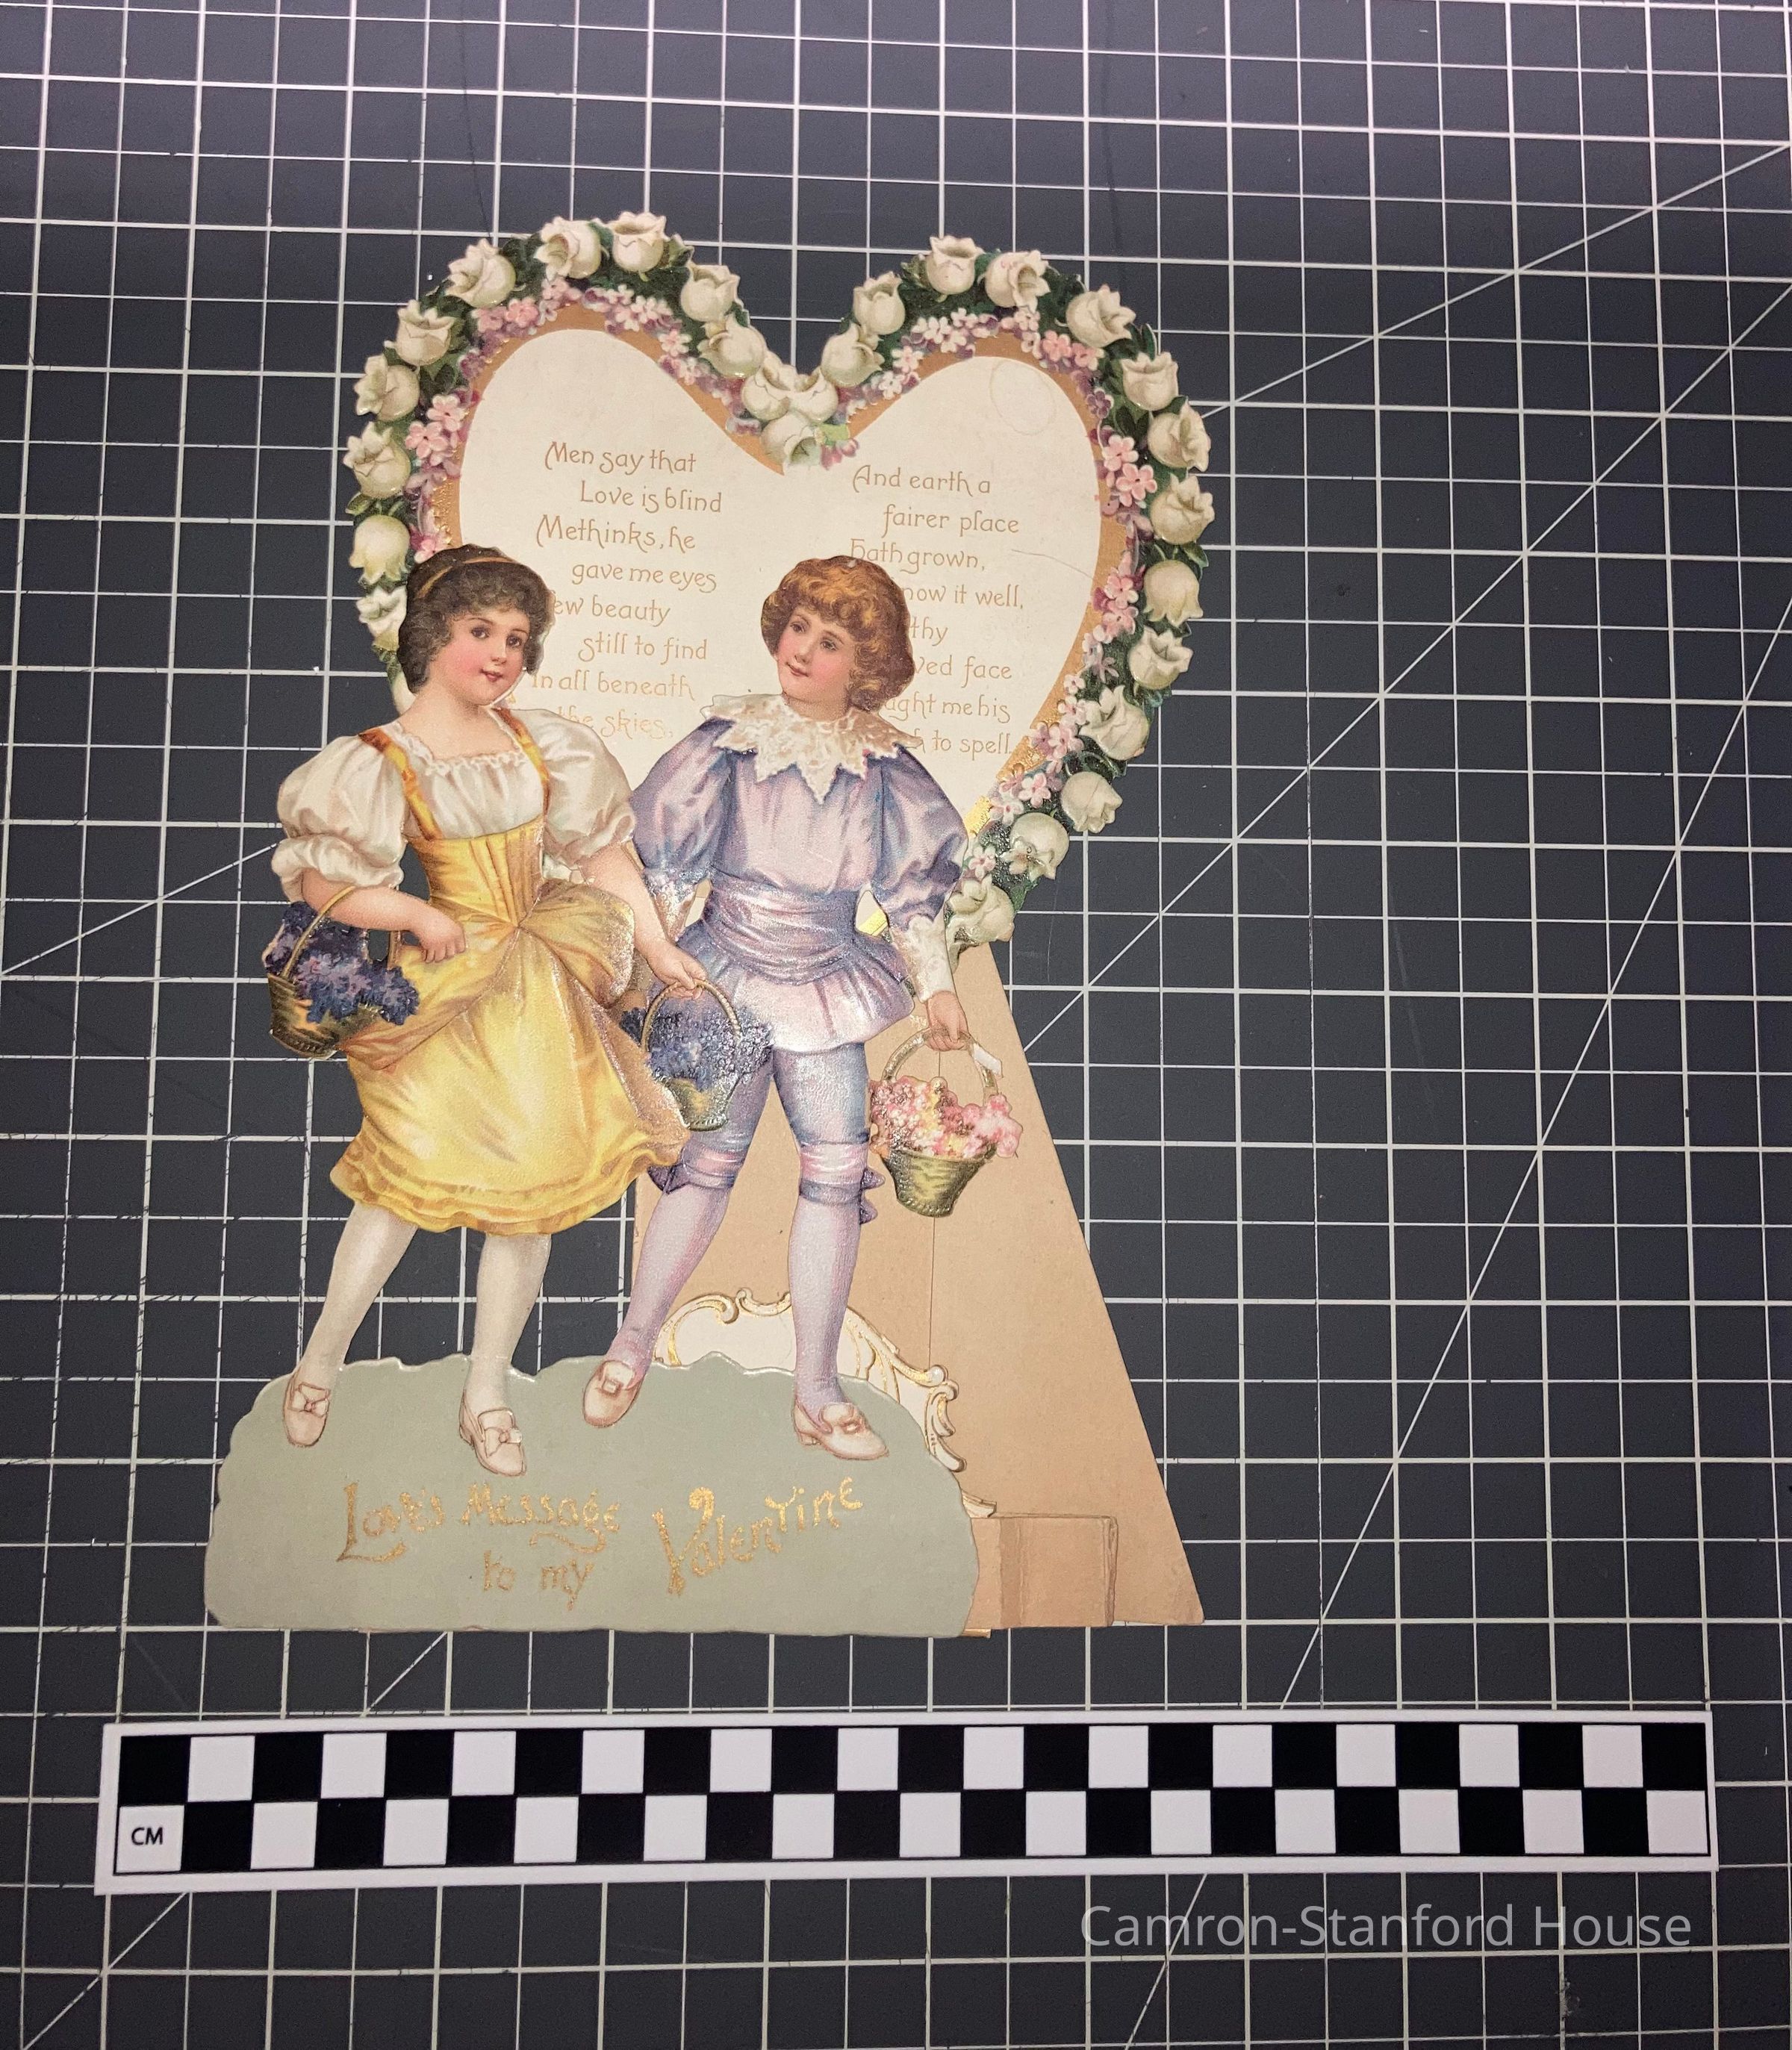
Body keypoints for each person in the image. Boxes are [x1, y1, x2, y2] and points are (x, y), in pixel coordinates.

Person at [270, 545, 700, 1477]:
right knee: (397, 1187)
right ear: (432, 637)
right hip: (440, 992)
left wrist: (661, 949)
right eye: (481, 631)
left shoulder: (542, 745)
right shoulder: (380, 761)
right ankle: (319, 1364)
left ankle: (487, 1394)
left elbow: (604, 857)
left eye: (516, 637)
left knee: (527, 1205)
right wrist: (415, 913)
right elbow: (322, 883)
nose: (502, 653)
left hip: (536, 991)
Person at [585, 555, 971, 1459]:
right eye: (798, 627)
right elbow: (667, 861)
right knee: (706, 1162)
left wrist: (938, 982)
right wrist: (646, 962)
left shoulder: (885, 768)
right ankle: (631, 1345)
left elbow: (912, 893)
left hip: (828, 979)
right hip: (720, 972)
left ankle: (816, 1387)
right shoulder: (728, 741)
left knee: (836, 1171)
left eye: (830, 641)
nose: (803, 650)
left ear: (865, 667)